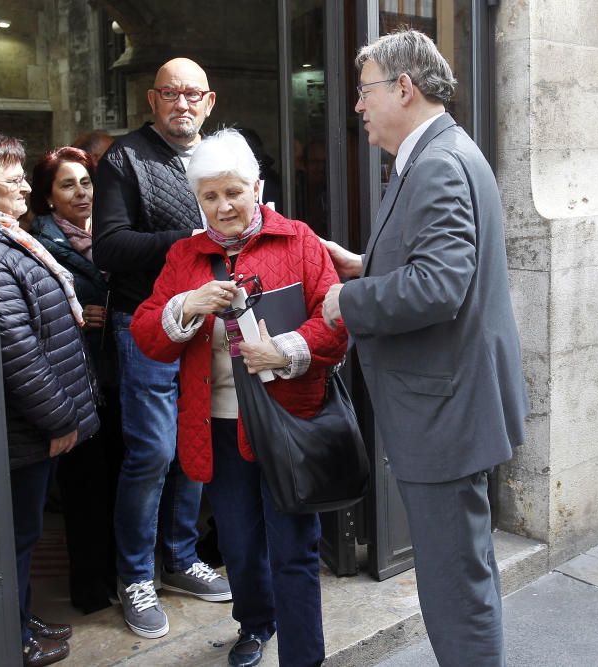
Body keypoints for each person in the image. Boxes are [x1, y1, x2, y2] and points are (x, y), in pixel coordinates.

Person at [320, 30, 529, 667]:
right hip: (450, 404)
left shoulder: (437, 161)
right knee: (462, 570)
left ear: (403, 89)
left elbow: (440, 285)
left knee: (454, 583)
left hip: (445, 412)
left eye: (365, 91)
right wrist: (366, 266)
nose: (358, 107)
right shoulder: (442, 151)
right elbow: (437, 265)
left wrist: (346, 303)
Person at [131, 128, 346, 667]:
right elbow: (147, 337)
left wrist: (288, 350)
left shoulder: (299, 241)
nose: (223, 206)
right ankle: (255, 623)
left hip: (288, 420)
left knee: (294, 549)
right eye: (210, 196)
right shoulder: (185, 255)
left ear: (257, 187)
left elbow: (336, 325)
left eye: (233, 192)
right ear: (197, 199)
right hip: (218, 427)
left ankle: (304, 656)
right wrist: (187, 304)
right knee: (239, 544)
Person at [92, 57, 231, 639]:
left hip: (208, 325)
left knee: (196, 445)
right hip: (145, 324)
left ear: (210, 100)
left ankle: (180, 558)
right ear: (152, 100)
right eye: (171, 94)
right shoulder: (124, 159)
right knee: (151, 453)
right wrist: (193, 241)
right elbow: (111, 248)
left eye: (192, 94)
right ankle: (136, 576)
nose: (182, 104)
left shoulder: (223, 155)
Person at [0, 129, 100, 666]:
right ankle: (11, 637)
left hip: (29, 426)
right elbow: (17, 348)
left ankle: (18, 617)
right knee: (15, 537)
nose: (24, 189)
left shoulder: (8, 237)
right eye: (12, 179)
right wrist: (60, 418)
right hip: (25, 425)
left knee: (25, 534)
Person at [31, 146, 123, 613]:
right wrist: (75, 317)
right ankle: (89, 587)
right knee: (85, 489)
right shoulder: (41, 244)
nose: (81, 192)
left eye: (86, 182)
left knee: (117, 479)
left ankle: (117, 575)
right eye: (67, 185)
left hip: (115, 373)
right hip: (76, 379)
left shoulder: (107, 233)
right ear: (48, 197)